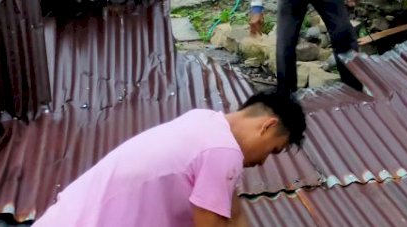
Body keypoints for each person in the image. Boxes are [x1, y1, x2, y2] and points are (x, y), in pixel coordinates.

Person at [35, 90, 305, 227]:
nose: (262, 162)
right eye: (273, 150)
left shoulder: (204, 122)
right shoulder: (222, 151)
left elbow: (232, 214)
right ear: (267, 126)